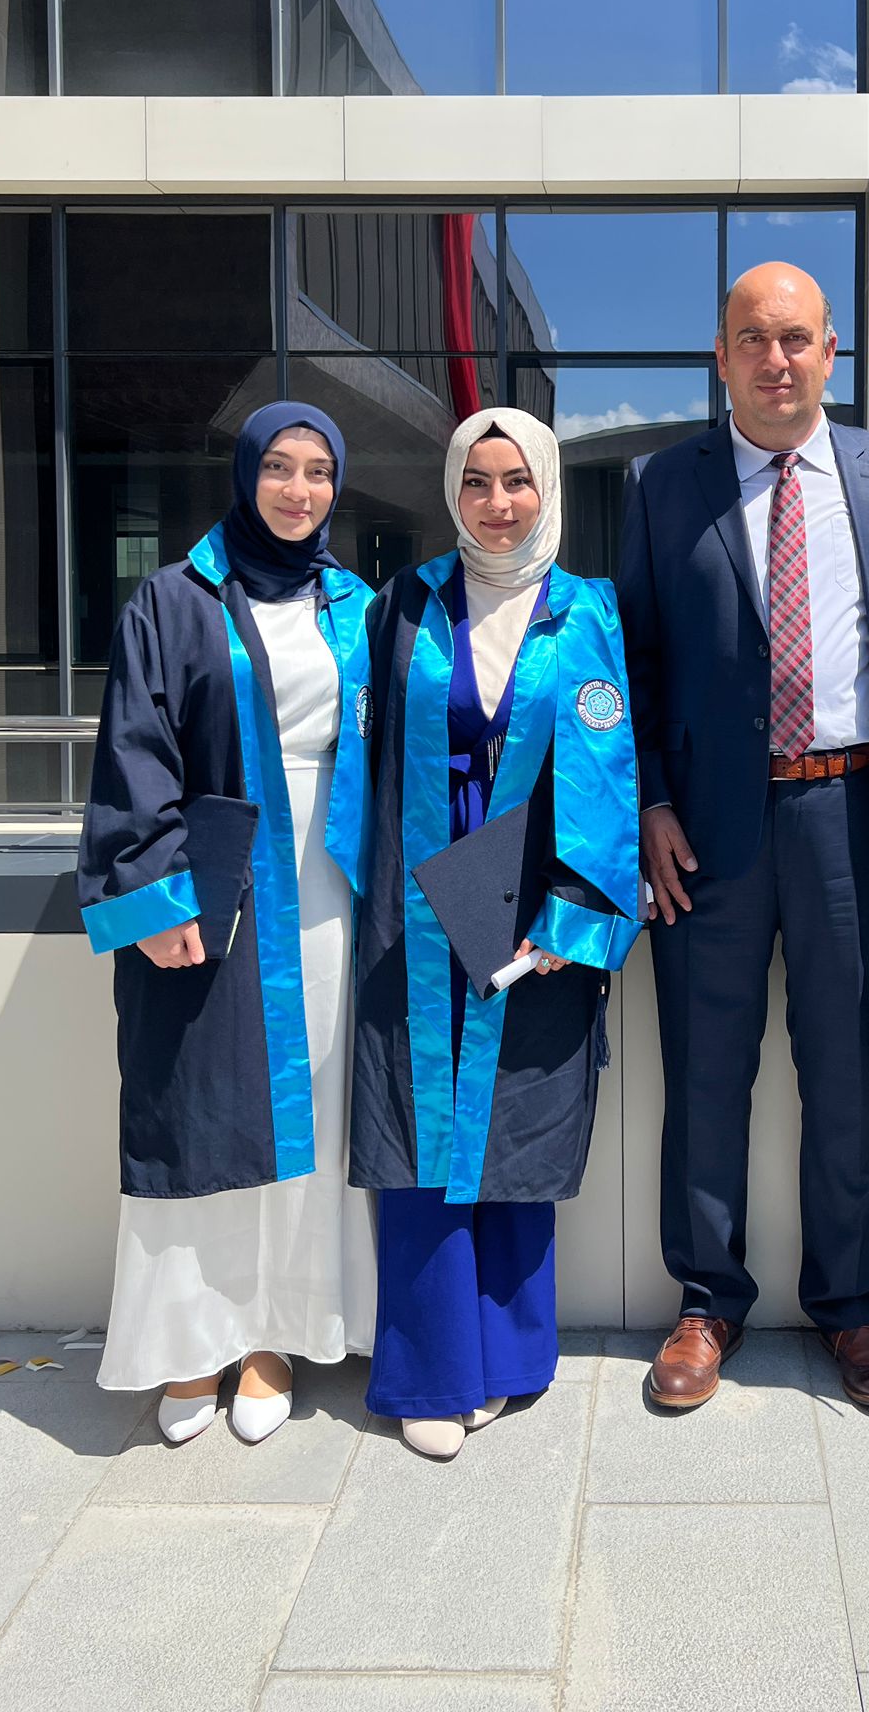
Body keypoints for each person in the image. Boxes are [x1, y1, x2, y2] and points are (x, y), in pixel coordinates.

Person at [616, 261, 869, 1411]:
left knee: (845, 1068)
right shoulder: (661, 483)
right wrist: (650, 801)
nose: (776, 357)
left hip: (850, 810)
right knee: (706, 1067)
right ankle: (707, 1300)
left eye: (796, 337)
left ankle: (852, 1305)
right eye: (752, 337)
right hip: (706, 825)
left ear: (830, 351)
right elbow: (635, 657)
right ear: (721, 356)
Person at [78, 403, 376, 1445]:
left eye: (320, 471)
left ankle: (277, 1336)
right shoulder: (174, 598)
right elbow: (134, 749)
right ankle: (193, 1339)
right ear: (246, 474)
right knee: (198, 1105)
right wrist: (155, 896)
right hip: (215, 887)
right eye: (280, 467)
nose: (300, 490)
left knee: (311, 1106)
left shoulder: (356, 604)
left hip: (328, 886)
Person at [352, 408, 642, 1460]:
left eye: (517, 479)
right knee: (418, 1124)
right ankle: (431, 1368)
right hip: (420, 897)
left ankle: (508, 1356)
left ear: (546, 487)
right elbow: (363, 750)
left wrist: (578, 914)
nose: (498, 502)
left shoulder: (585, 610)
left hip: (533, 903)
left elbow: (609, 767)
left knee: (516, 1122)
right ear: (452, 492)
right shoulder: (407, 601)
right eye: (476, 481)